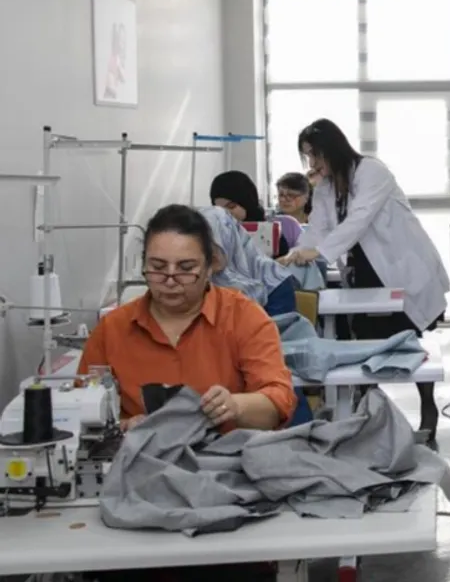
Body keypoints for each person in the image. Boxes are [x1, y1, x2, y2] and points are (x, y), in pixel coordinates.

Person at [79, 205, 294, 582]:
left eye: (186, 268)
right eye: (157, 267)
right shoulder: (113, 330)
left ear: (211, 266)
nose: (170, 280)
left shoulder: (244, 318)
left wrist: (235, 405)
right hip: (141, 494)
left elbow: (277, 402)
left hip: (226, 489)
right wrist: (122, 427)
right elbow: (85, 413)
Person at [278, 119, 450, 442]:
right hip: (363, 273)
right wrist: (296, 253)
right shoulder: (326, 187)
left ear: (332, 148)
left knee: (408, 339)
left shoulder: (372, 172)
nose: (312, 164)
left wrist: (318, 252)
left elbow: (359, 219)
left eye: (315, 155)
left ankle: (428, 405)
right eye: (307, 157)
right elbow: (318, 227)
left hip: (399, 268)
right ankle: (367, 413)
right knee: (366, 343)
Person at [199, 206, 298, 317]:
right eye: (200, 245)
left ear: (231, 239)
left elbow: (280, 325)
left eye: (217, 242)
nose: (210, 252)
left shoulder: (273, 278)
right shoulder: (194, 277)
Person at [210, 170, 303, 256]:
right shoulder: (211, 234)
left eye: (231, 206)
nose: (225, 213)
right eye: (218, 209)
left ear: (247, 203)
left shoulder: (270, 233)